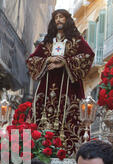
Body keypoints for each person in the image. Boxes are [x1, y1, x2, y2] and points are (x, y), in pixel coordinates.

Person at [26, 9, 94, 156]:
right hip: (47, 88)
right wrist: (48, 60)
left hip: (69, 87)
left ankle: (67, 153)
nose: (58, 20)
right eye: (56, 17)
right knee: (40, 121)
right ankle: (38, 150)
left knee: (70, 118)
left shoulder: (76, 40)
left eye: (61, 17)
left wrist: (65, 62)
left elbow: (88, 55)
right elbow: (31, 60)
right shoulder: (47, 43)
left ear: (67, 19)